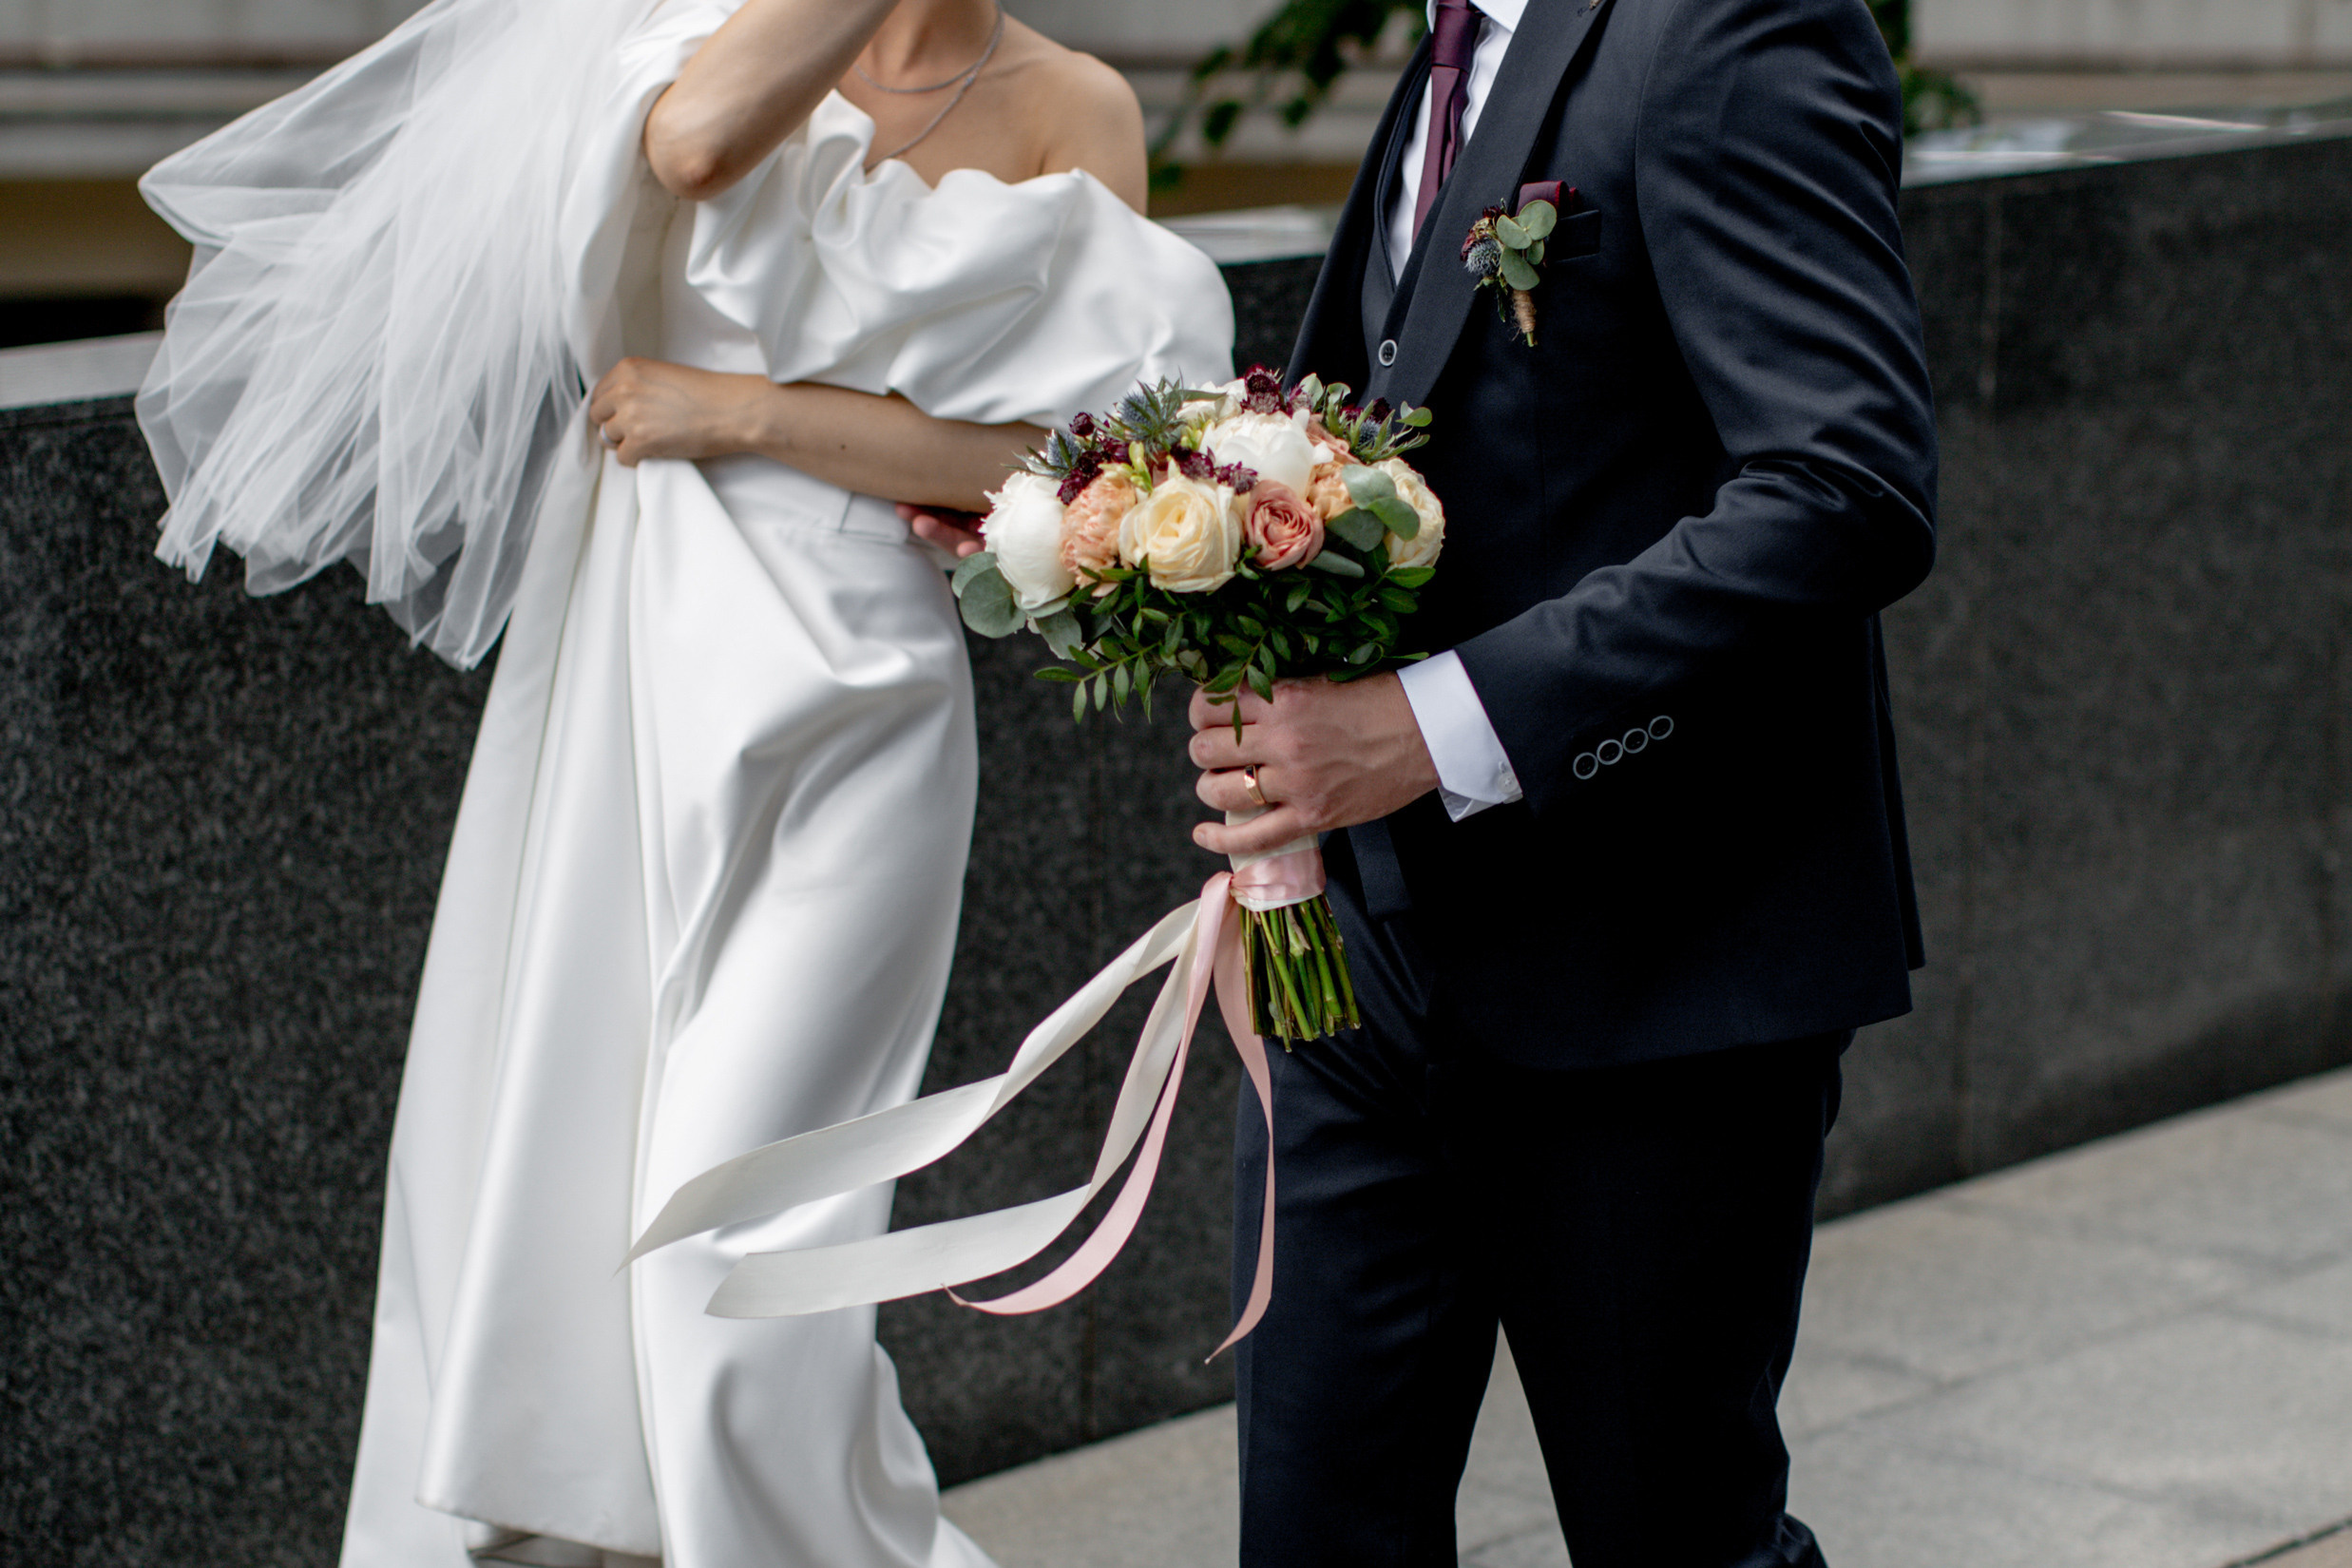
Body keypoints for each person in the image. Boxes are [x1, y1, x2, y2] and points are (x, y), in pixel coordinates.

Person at [132, 2, 1233, 1566]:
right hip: (641, 652)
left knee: (729, 1245)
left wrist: (745, 414)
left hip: (867, 703)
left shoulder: (1080, 103)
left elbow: (1066, 473)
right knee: (571, 1183)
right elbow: (699, 147)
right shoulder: (717, 24)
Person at [1179, 0, 1937, 1564]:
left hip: (1653, 968)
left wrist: (1432, 727)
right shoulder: (1453, 46)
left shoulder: (1734, 25)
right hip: (1356, 965)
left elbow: (1844, 486)